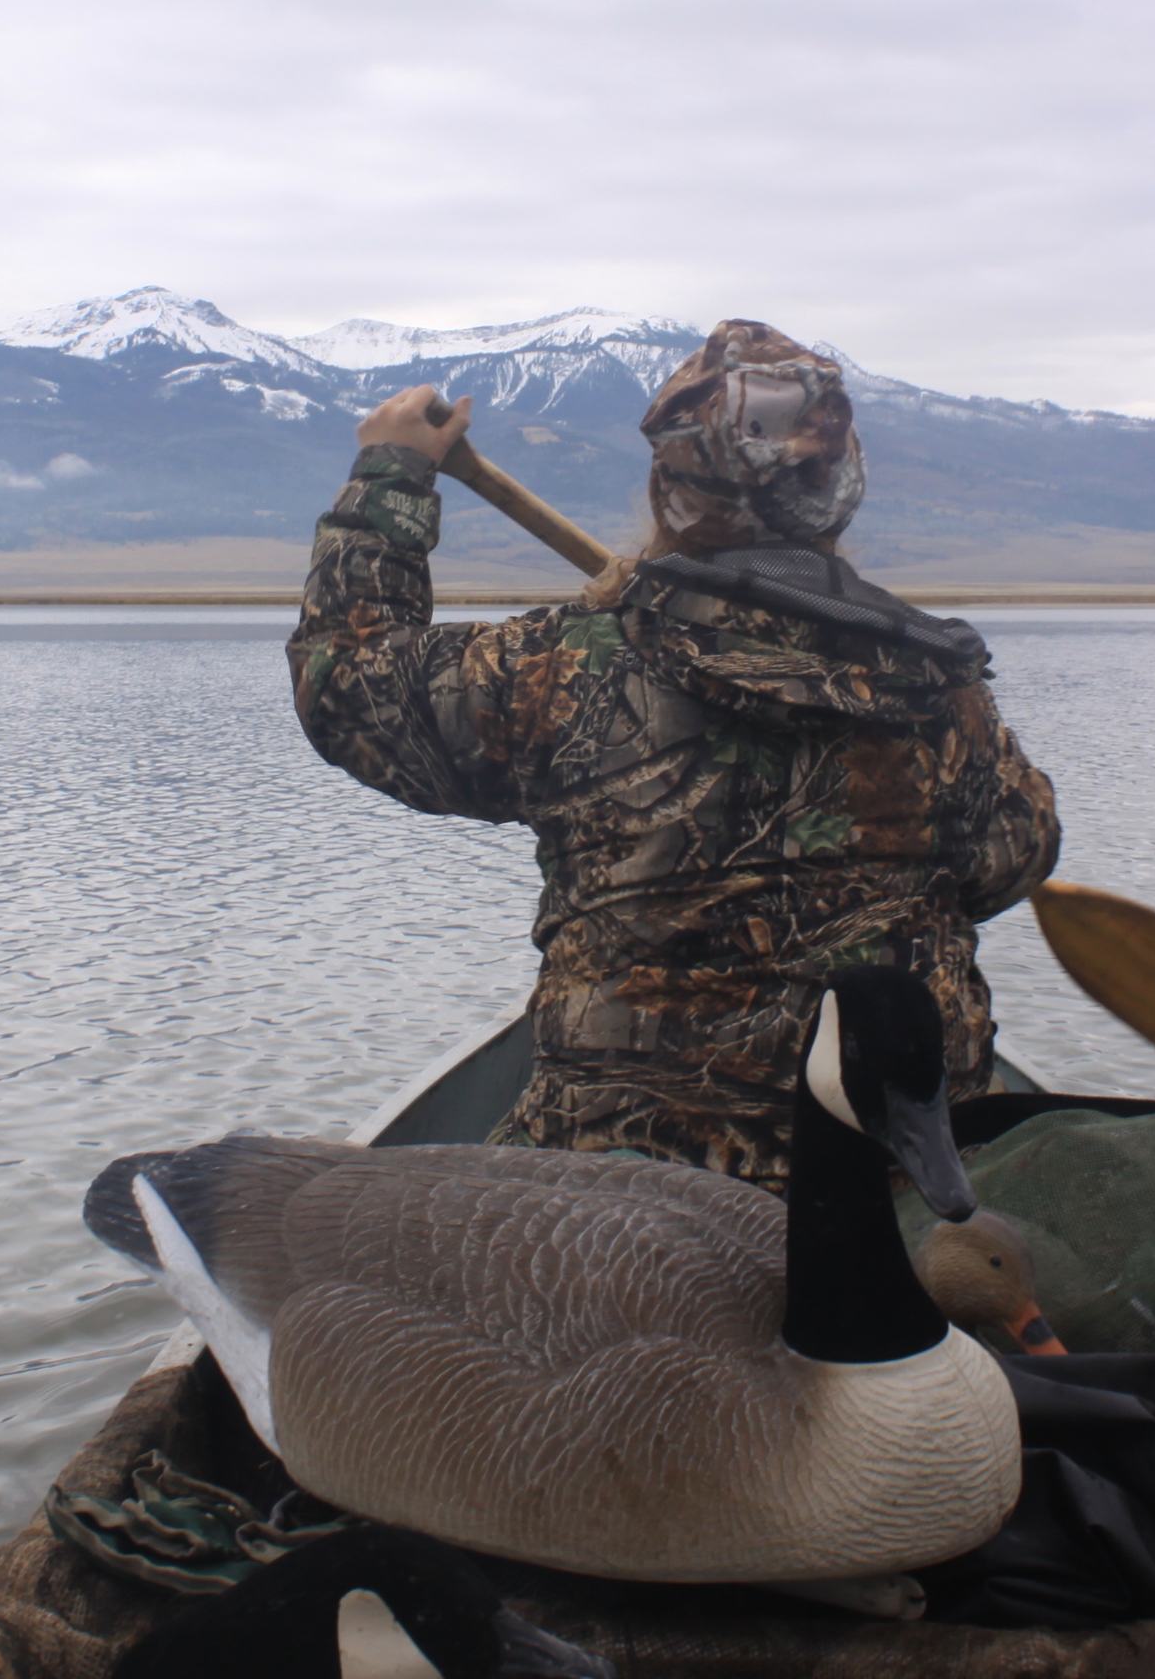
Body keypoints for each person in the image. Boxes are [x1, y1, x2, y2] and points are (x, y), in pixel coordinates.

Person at [286, 318, 1063, 1189]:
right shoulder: (941, 685)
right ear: (841, 487)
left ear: (668, 491)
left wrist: (392, 478)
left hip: (628, 1189)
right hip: (895, 1181)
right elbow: (1011, 861)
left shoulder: (565, 666)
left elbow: (346, 682)